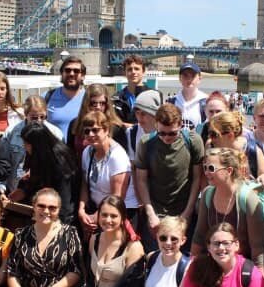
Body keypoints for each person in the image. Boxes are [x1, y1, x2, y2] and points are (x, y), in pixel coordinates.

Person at [58, 195, 145, 287]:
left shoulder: (133, 247)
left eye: (113, 216)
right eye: (104, 215)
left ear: (123, 217)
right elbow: (91, 276)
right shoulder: (95, 239)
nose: (108, 220)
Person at [133, 103, 206, 251]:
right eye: (162, 133)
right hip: (156, 210)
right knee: (154, 256)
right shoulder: (146, 143)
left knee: (184, 258)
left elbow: (197, 178)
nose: (167, 137)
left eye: (172, 133)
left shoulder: (193, 141)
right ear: (156, 125)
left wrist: (188, 212)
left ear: (180, 125)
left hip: (183, 209)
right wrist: (150, 212)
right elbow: (141, 179)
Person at [6, 188, 84, 287]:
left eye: (52, 208)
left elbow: (76, 271)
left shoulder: (70, 233)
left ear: (59, 210)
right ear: (34, 206)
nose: (46, 211)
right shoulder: (21, 235)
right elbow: (12, 273)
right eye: (41, 206)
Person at [192, 148, 264, 269]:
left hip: (242, 267)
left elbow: (257, 248)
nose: (206, 173)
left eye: (211, 168)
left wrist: (259, 282)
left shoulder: (248, 198)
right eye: (205, 168)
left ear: (229, 171)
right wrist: (190, 268)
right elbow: (199, 235)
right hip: (215, 264)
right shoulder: (207, 194)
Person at [0, 95, 63, 201]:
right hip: (15, 191)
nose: (39, 121)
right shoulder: (11, 132)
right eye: (34, 118)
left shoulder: (55, 134)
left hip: (43, 195)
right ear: (26, 115)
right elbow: (4, 162)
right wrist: (2, 187)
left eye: (42, 117)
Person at [78, 111, 138, 233]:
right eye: (86, 131)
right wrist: (81, 209)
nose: (90, 134)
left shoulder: (117, 156)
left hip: (119, 212)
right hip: (98, 211)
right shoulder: (87, 152)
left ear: (106, 130)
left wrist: (98, 215)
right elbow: (85, 184)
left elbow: (117, 196)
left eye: (95, 130)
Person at [9, 123, 79, 224]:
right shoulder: (37, 155)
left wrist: (60, 226)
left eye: (26, 143)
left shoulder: (60, 162)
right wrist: (24, 190)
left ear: (37, 144)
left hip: (60, 212)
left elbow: (65, 198)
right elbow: (36, 179)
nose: (24, 146)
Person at [207, 111, 264, 188]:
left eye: (214, 134)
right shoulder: (211, 147)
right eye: (209, 133)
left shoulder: (252, 150)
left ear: (230, 135)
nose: (210, 138)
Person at [67, 83, 128, 158]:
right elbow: (69, 153)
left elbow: (123, 157)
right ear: (86, 104)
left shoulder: (116, 128)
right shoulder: (75, 124)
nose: (98, 107)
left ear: (107, 104)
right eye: (94, 103)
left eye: (102, 103)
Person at [47, 55, 86, 139]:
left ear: (82, 75)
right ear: (62, 73)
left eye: (76, 71)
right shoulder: (47, 98)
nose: (71, 74)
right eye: (67, 70)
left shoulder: (90, 100)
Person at [113, 53, 156, 124]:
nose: (133, 72)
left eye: (137, 69)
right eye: (129, 69)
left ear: (143, 71)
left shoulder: (153, 96)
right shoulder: (116, 99)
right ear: (124, 73)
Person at [168, 61, 209, 131]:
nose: (189, 79)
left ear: (199, 78)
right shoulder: (171, 102)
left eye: (193, 76)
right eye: (185, 75)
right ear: (180, 78)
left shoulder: (206, 102)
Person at [124, 90, 161, 162]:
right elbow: (133, 164)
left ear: (154, 114)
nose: (139, 117)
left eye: (143, 113)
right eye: (137, 113)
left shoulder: (166, 132)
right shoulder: (131, 133)